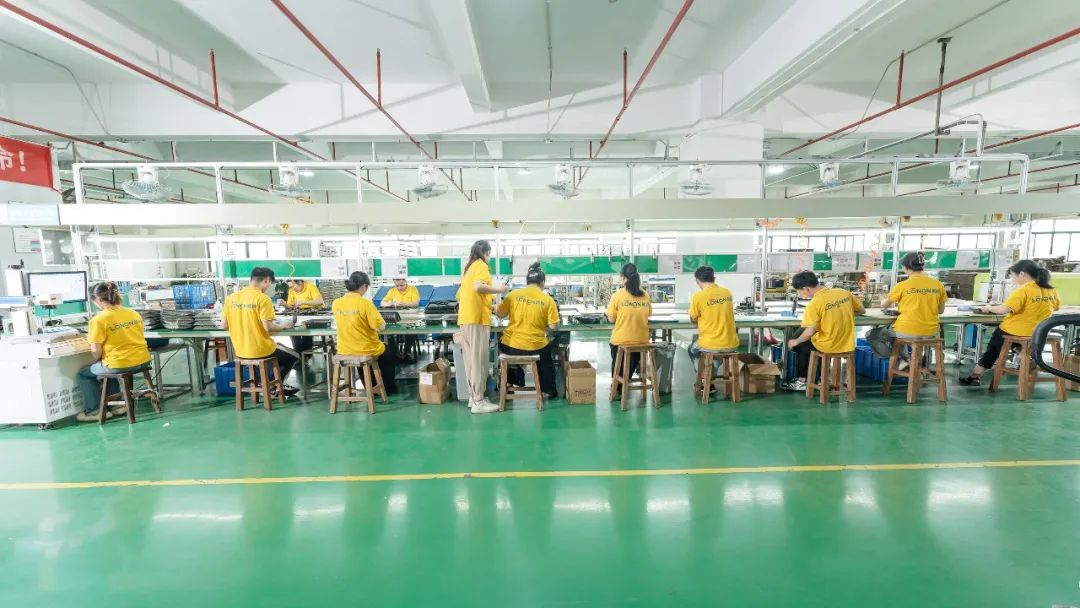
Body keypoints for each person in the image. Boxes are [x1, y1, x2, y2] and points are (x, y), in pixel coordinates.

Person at [959, 259, 1060, 387]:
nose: (1012, 279)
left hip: (1014, 332)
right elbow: (1056, 307)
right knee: (1015, 342)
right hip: (1037, 334)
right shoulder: (1050, 290)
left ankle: (975, 376)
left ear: (1022, 274)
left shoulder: (1023, 290)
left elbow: (1003, 310)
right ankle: (1025, 355)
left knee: (994, 348)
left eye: (1013, 275)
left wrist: (988, 308)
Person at [77, 282, 153, 422]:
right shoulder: (133, 313)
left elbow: (96, 352)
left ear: (97, 299)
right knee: (108, 366)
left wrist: (99, 358)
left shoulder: (98, 320)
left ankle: (94, 411)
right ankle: (117, 407)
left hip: (119, 364)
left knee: (85, 373)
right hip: (143, 360)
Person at [222, 267, 299, 397]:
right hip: (261, 349)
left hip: (240, 351)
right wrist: (284, 325)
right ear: (266, 280)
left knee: (280, 351)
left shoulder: (230, 298)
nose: (268, 287)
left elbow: (224, 325)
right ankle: (275, 387)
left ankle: (271, 384)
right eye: (269, 284)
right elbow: (268, 327)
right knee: (293, 356)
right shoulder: (263, 299)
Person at [786, 270, 864, 391]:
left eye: (800, 291)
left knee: (800, 345)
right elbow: (861, 310)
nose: (800, 294)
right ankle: (821, 378)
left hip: (829, 345)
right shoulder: (844, 293)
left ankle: (804, 380)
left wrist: (795, 341)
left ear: (806, 289)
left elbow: (810, 331)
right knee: (809, 342)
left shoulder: (814, 304)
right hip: (846, 343)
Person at [456, 239, 508, 414]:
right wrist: (499, 290)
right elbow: (478, 287)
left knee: (471, 362)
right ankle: (478, 402)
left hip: (465, 319)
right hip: (476, 320)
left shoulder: (468, 269)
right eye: (489, 255)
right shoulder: (481, 266)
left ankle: (473, 397)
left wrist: (488, 304)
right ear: (486, 253)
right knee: (479, 361)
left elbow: (461, 295)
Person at [495, 262, 560, 399]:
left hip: (511, 346)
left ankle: (509, 383)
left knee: (502, 344)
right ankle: (548, 390)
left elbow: (500, 314)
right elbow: (554, 326)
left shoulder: (513, 295)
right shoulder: (548, 300)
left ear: (527, 281)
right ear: (542, 283)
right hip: (536, 347)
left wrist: (494, 307)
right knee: (546, 356)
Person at [332, 271, 397, 394]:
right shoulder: (365, 303)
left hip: (345, 349)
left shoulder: (336, 303)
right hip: (366, 348)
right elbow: (380, 326)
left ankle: (368, 386)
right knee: (388, 352)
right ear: (363, 286)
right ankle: (387, 388)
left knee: (361, 357)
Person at [880, 251, 947, 365]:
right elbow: (940, 311)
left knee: (879, 334)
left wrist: (883, 300)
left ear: (906, 267)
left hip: (907, 330)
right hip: (931, 332)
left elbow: (885, 305)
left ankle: (905, 359)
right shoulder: (938, 285)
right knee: (916, 336)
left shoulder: (902, 285)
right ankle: (914, 361)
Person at [606, 263, 652, 387]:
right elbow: (649, 314)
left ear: (624, 278)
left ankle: (617, 385)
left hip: (621, 341)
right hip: (641, 341)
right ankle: (625, 381)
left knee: (617, 356)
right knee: (632, 358)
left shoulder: (618, 295)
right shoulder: (645, 295)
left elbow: (611, 319)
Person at [688, 266, 738, 352]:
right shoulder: (727, 292)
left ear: (697, 281)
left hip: (710, 344)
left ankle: (705, 361)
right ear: (714, 279)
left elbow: (693, 318)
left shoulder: (698, 296)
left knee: (691, 350)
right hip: (731, 344)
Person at [280, 279, 324, 355]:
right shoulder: (291, 290)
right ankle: (298, 354)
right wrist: (285, 304)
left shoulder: (311, 287)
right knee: (292, 331)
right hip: (299, 314)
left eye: (293, 286)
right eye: (290, 287)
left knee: (306, 332)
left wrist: (304, 302)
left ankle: (306, 355)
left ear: (300, 282)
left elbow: (320, 301)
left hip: (312, 314)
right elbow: (291, 306)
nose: (292, 289)